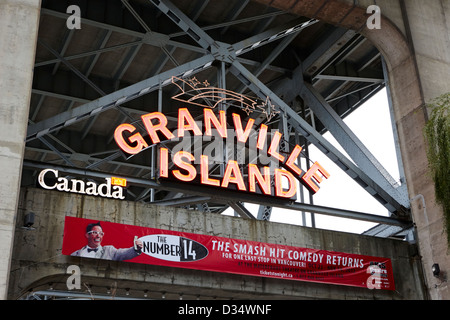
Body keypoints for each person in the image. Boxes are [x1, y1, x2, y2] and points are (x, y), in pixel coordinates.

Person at [71, 221, 142, 261]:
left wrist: (135, 249)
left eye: (101, 233)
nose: (98, 236)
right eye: (95, 233)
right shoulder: (75, 254)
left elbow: (123, 253)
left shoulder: (109, 251)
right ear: (87, 235)